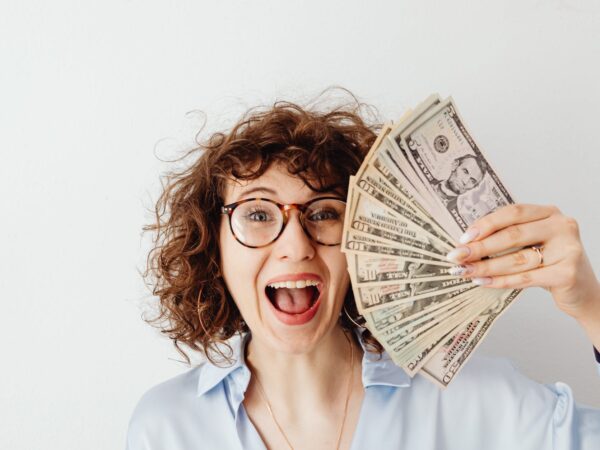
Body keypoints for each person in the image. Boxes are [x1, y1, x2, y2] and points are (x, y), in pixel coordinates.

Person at [126, 94, 600, 450]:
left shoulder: (474, 400)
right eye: (257, 213)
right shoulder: (167, 426)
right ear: (215, 248)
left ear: (364, 241)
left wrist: (590, 306)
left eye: (324, 213)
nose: (295, 246)